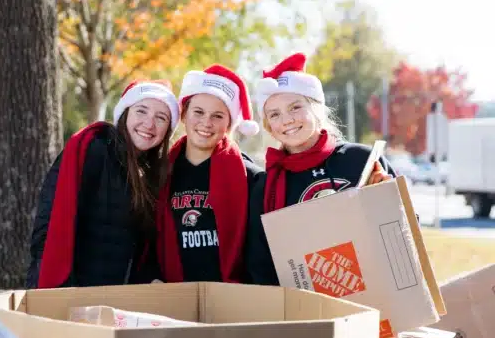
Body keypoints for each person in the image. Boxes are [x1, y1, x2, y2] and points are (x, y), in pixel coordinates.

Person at [247, 52, 396, 285]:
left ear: (316, 108)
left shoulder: (361, 161)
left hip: (373, 294)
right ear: (269, 126)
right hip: (304, 308)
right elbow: (260, 266)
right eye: (274, 114)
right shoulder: (266, 187)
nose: (286, 120)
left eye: (295, 107)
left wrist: (387, 201)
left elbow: (404, 231)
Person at [27, 80, 180, 289]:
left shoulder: (153, 175)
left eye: (161, 118)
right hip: (71, 291)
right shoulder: (95, 147)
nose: (149, 124)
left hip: (113, 299)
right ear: (125, 113)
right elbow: (50, 220)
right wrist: (61, 289)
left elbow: (138, 249)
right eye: (141, 111)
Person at [156, 64, 263, 283]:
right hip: (172, 297)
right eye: (198, 112)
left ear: (229, 123)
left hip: (230, 299)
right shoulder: (159, 174)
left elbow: (259, 253)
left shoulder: (250, 178)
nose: (206, 122)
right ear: (184, 114)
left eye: (217, 116)